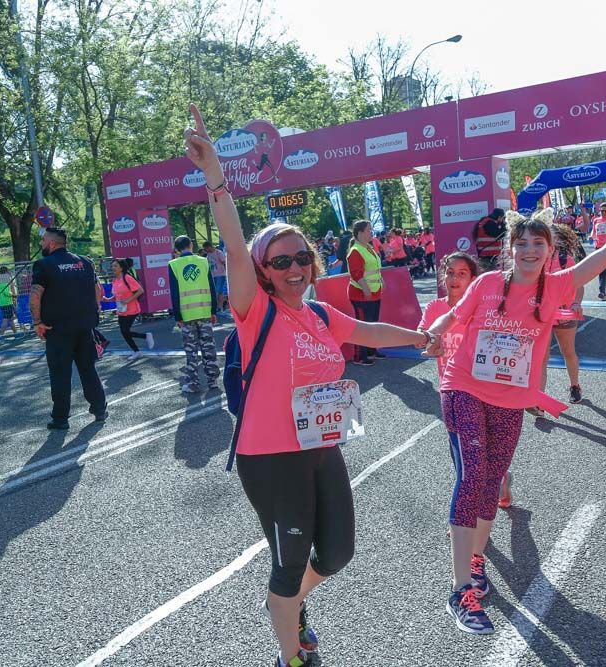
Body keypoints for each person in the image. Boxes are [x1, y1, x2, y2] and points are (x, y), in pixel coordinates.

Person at [184, 103, 432, 667]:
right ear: (262, 269)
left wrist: (420, 339)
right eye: (280, 261)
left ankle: (290, 605)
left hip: (322, 447)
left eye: (301, 257)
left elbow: (366, 327)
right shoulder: (254, 310)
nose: (294, 267)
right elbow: (231, 240)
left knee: (339, 551)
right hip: (270, 457)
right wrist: (216, 178)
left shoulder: (319, 313)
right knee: (289, 561)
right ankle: (291, 654)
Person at [425, 157, 606, 635]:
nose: (529, 249)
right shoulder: (488, 283)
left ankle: (475, 559)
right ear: (510, 250)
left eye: (538, 243)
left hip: (511, 398)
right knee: (471, 474)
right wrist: (433, 331)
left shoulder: (558, 286)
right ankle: (460, 588)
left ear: (550, 250)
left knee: (491, 481)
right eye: (521, 243)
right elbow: (454, 317)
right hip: (464, 386)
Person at [419, 252, 514, 511]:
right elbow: (424, 336)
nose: (454, 279)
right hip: (452, 393)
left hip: (483, 392)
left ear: (473, 280)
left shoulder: (484, 308)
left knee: (486, 455)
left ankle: (500, 480)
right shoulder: (434, 308)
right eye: (450, 273)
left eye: (462, 274)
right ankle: (465, 515)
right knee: (462, 457)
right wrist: (431, 346)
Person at [31, 227, 107, 430]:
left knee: (59, 374)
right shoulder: (85, 262)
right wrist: (93, 312)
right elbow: (97, 290)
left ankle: (60, 419)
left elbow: (35, 295)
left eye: (43, 241)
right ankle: (100, 408)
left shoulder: (43, 265)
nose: (41, 244)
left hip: (57, 329)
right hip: (85, 326)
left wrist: (37, 322)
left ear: (52, 243)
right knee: (88, 369)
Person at [537, 219, 586, 406]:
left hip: (564, 312)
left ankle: (575, 386)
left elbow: (578, 285)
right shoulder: (535, 257)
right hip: (541, 314)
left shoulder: (566, 259)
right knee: (541, 357)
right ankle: (539, 399)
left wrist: (576, 303)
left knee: (568, 351)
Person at [168, 235, 220, 393]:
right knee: (208, 347)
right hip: (204, 312)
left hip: (186, 315)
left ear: (177, 249)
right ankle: (213, 382)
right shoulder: (203, 261)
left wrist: (178, 316)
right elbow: (212, 288)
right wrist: (213, 311)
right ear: (191, 245)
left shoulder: (173, 265)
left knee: (191, 351)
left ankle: (193, 383)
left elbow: (175, 293)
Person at [346, 219, 383, 366]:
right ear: (360, 233)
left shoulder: (368, 247)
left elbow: (374, 268)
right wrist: (366, 289)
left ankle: (371, 350)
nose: (371, 233)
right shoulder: (356, 250)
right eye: (368, 230)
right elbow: (357, 273)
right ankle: (359, 356)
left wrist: (381, 281)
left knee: (372, 323)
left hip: (374, 292)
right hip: (361, 294)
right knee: (362, 326)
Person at [102, 258, 154, 355]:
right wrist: (109, 299)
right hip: (121, 310)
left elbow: (140, 290)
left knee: (125, 331)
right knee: (124, 332)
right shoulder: (115, 280)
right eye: (112, 266)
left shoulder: (127, 277)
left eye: (115, 266)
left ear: (121, 268)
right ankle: (137, 350)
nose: (113, 268)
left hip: (132, 309)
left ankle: (145, 338)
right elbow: (117, 295)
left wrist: (128, 301)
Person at [0, 266, 20, 338]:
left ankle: (16, 333)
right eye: (8, 272)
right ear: (5, 272)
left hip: (2, 302)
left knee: (11, 318)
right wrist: (14, 295)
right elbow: (7, 293)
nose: (9, 273)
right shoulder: (4, 280)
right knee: (6, 319)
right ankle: (0, 334)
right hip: (6, 302)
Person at [204, 241, 229, 312]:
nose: (205, 250)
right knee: (215, 291)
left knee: (219, 291)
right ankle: (219, 306)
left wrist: (226, 272)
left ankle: (220, 306)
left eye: (206, 248)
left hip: (220, 274)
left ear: (209, 247)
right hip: (213, 275)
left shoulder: (218, 253)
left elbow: (224, 262)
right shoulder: (208, 255)